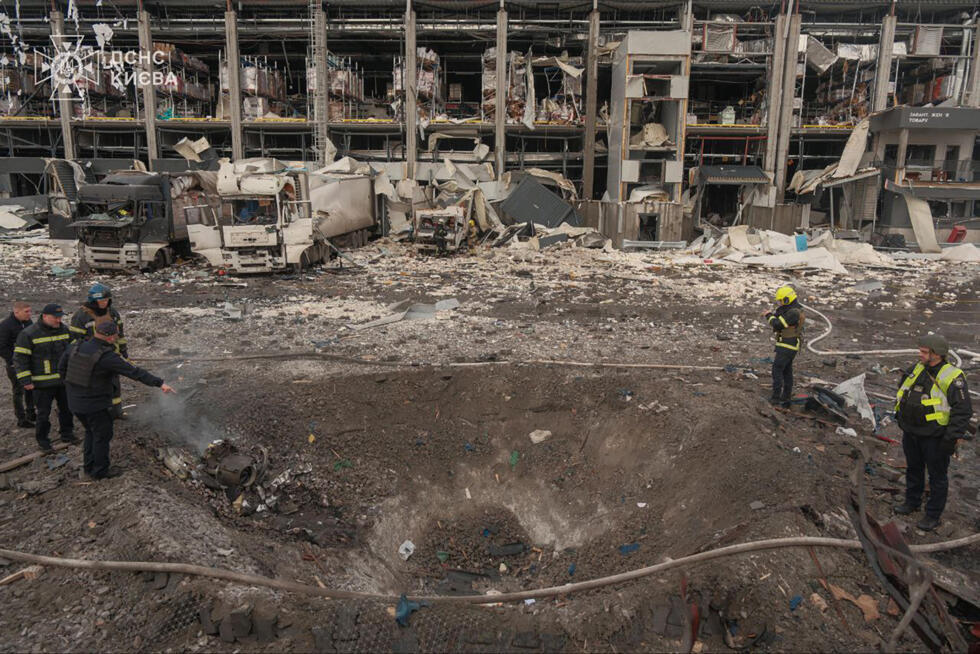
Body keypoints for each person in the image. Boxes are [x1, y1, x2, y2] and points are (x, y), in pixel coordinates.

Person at [60, 321, 175, 480]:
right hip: (95, 406)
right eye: (116, 335)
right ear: (111, 336)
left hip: (75, 403)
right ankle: (99, 472)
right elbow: (135, 372)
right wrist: (160, 383)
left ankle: (88, 468)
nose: (117, 337)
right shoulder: (106, 356)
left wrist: (73, 390)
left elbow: (62, 369)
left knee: (90, 432)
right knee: (101, 436)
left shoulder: (75, 347)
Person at [894, 334, 973, 531]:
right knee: (913, 469)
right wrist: (900, 416)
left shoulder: (953, 377)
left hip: (935, 437)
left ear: (936, 354)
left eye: (924, 352)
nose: (919, 354)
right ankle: (912, 502)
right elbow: (902, 391)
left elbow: (962, 411)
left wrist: (951, 438)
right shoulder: (916, 369)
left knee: (937, 477)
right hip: (912, 433)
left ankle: (933, 515)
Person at [13, 304, 75, 452]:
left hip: (63, 380)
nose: (58, 320)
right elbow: (20, 359)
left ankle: (67, 433)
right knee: (43, 414)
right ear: (45, 316)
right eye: (55, 317)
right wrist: (26, 380)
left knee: (67, 409)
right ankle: (43, 441)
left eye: (60, 317)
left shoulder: (64, 330)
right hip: (42, 383)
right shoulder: (29, 334)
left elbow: (74, 350)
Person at [70, 283, 127, 418]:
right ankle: (101, 412)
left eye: (107, 300)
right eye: (102, 300)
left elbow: (120, 334)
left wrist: (124, 350)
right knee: (97, 386)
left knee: (114, 384)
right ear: (93, 301)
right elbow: (75, 340)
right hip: (92, 358)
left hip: (111, 354)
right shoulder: (81, 316)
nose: (105, 303)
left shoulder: (112, 312)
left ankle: (116, 411)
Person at [763, 285, 805, 407]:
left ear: (787, 300)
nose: (779, 303)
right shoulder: (792, 309)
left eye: (781, 301)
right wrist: (772, 314)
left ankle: (776, 398)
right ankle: (786, 396)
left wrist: (768, 315)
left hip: (788, 345)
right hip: (788, 345)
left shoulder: (793, 313)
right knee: (787, 371)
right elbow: (779, 317)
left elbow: (777, 324)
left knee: (777, 369)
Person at [1, 301, 36, 428]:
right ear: (16, 312)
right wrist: (14, 361)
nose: (29, 314)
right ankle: (21, 418)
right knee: (18, 390)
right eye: (26, 312)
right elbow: (2, 346)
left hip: (29, 362)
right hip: (14, 364)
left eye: (30, 311)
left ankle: (31, 412)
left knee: (30, 387)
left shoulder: (28, 322)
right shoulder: (6, 325)